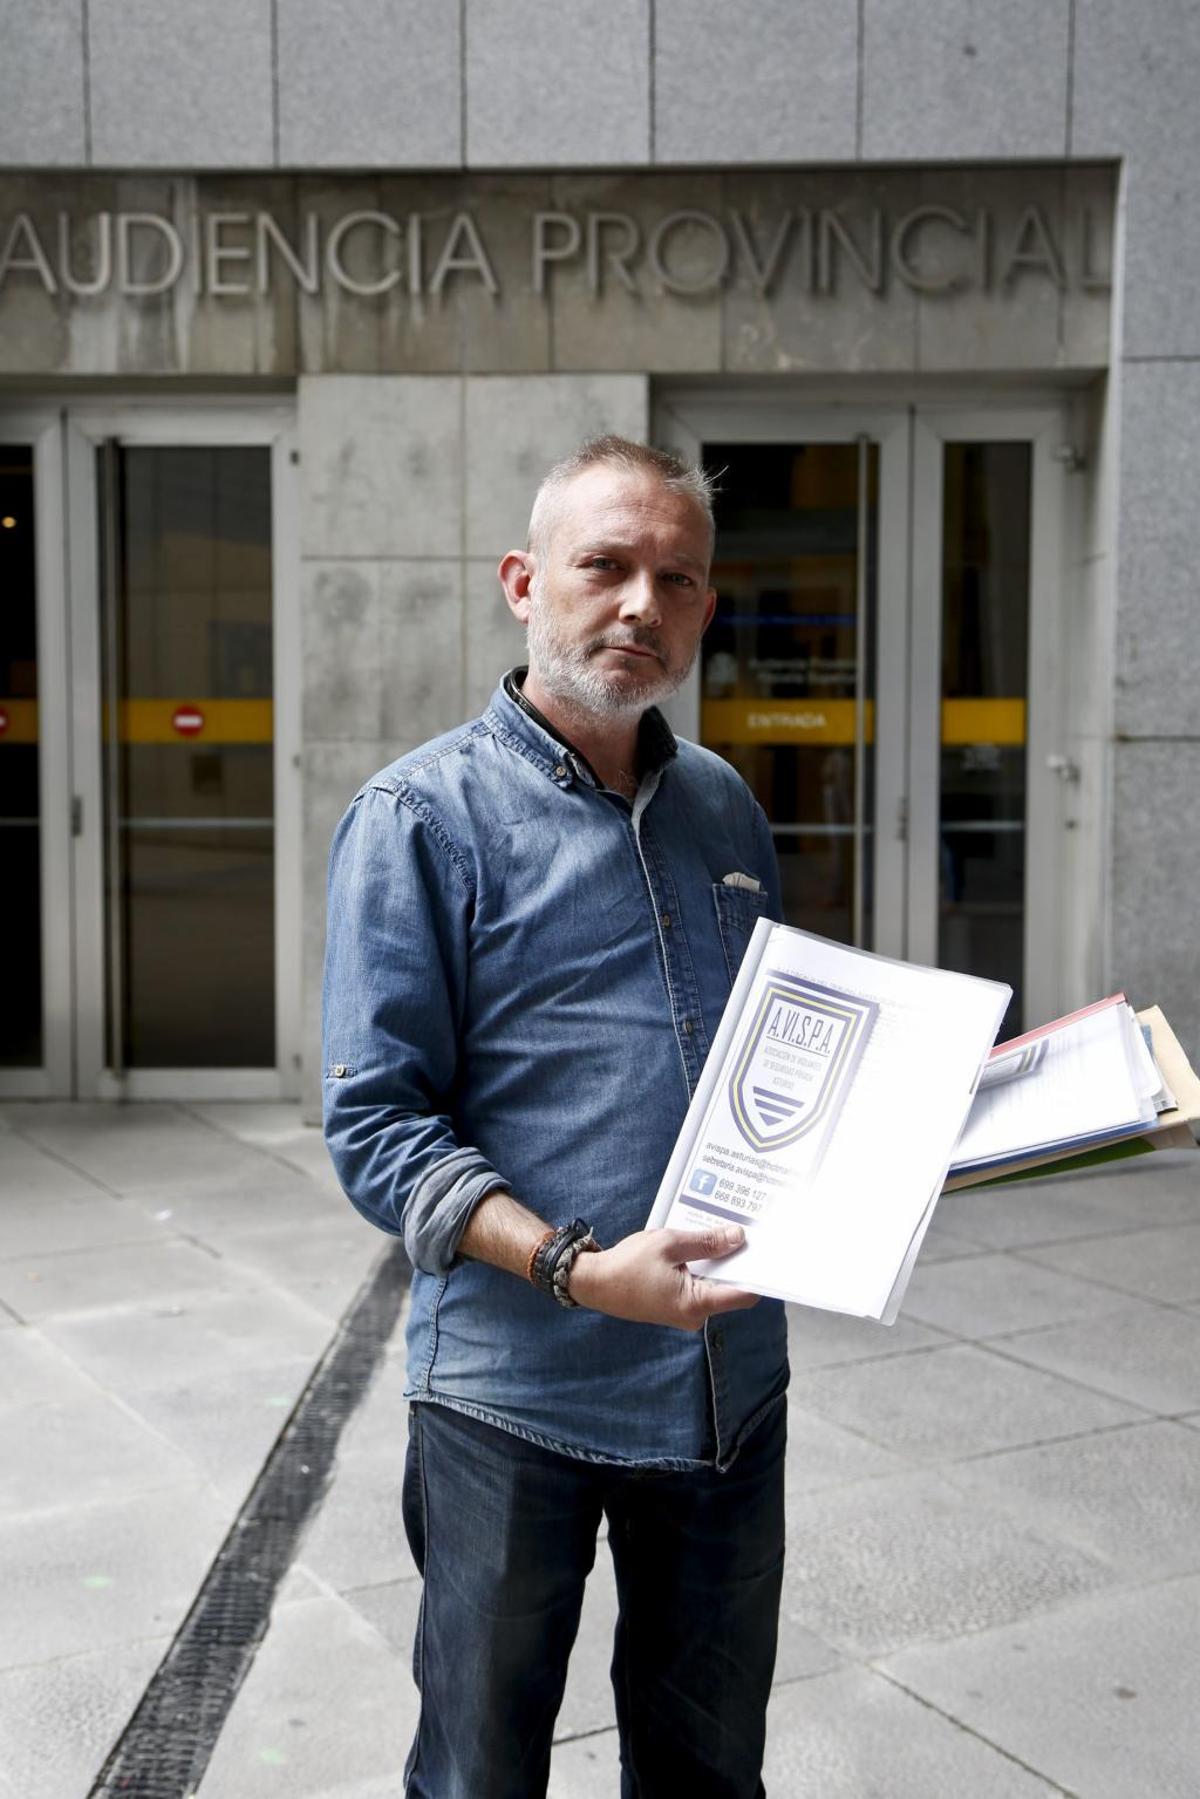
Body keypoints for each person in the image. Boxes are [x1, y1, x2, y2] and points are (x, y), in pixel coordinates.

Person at [323, 436, 789, 1798]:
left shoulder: (725, 809)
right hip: (511, 1401)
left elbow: (773, 1068)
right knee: (479, 1773)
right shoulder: (418, 817)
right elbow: (378, 1127)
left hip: (726, 1390)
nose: (642, 604)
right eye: (606, 566)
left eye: (677, 579)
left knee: (710, 1773)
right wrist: (579, 1270)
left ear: (705, 611)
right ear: (526, 583)